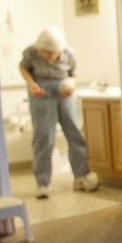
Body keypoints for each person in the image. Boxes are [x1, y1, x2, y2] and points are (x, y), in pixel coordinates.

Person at [19, 28, 99, 198]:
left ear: (59, 51)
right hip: (41, 92)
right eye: (43, 52)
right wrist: (31, 83)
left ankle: (80, 177)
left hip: (64, 91)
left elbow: (75, 76)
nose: (46, 56)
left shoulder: (69, 53)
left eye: (51, 53)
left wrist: (71, 84)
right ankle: (42, 183)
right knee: (43, 136)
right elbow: (24, 68)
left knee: (74, 133)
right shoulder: (31, 52)